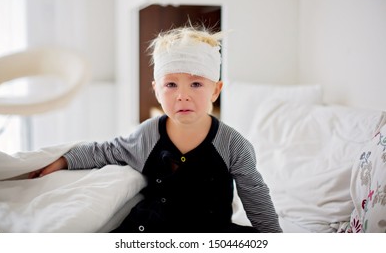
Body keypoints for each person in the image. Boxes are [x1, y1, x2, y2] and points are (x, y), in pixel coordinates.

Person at [29, 25, 282, 233]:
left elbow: (255, 194)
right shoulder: (148, 134)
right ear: (156, 90)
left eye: (196, 84)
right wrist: (64, 160)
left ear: (215, 90)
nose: (182, 96)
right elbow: (106, 150)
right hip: (150, 229)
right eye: (171, 84)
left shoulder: (232, 144)